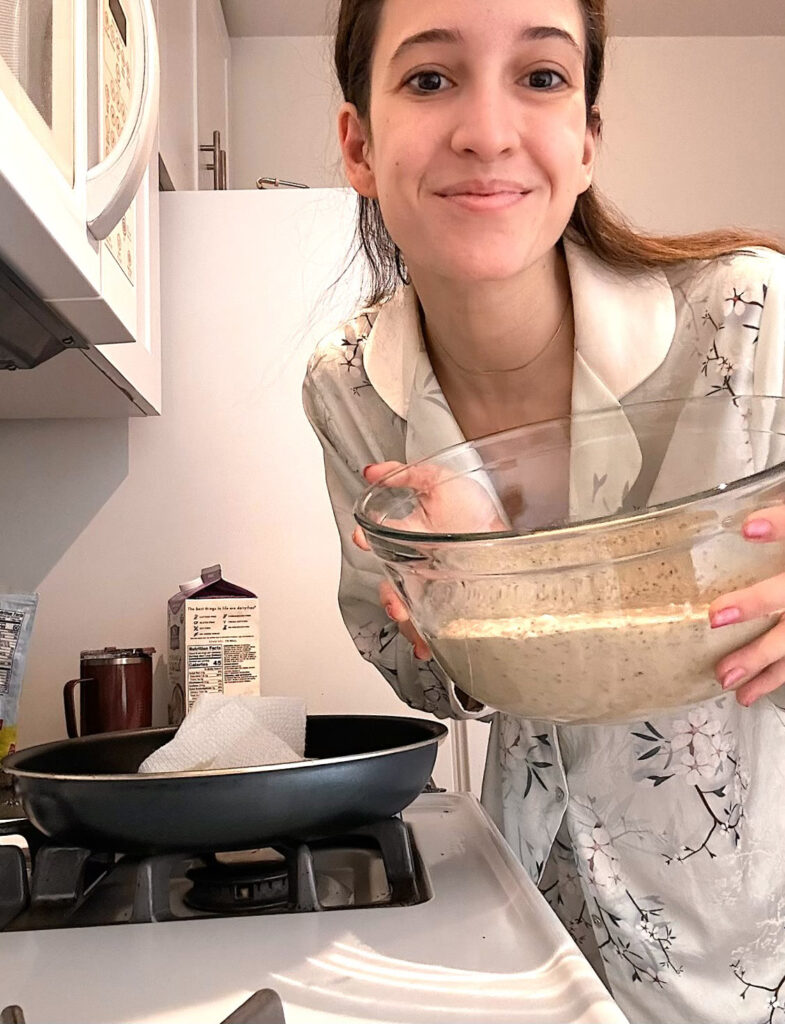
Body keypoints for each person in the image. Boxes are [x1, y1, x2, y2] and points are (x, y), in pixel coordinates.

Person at [302, 1, 785, 1021]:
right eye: (429, 80)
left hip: (753, 955)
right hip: (532, 930)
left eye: (539, 78)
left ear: (585, 140)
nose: (486, 130)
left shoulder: (750, 322)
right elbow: (431, 682)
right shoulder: (349, 384)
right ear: (357, 142)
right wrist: (463, 585)